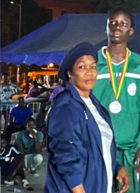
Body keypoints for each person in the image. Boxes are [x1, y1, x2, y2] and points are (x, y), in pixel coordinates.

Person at [45, 42, 129, 193]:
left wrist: (117, 168)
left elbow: (98, 148)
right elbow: (65, 152)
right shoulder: (66, 106)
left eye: (93, 66)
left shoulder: (96, 107)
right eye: (82, 67)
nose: (89, 72)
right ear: (70, 73)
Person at [91, 8, 140, 193]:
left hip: (130, 148)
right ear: (106, 28)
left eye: (123, 23)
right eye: (113, 22)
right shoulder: (92, 62)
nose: (117, 26)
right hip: (98, 146)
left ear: (130, 31)